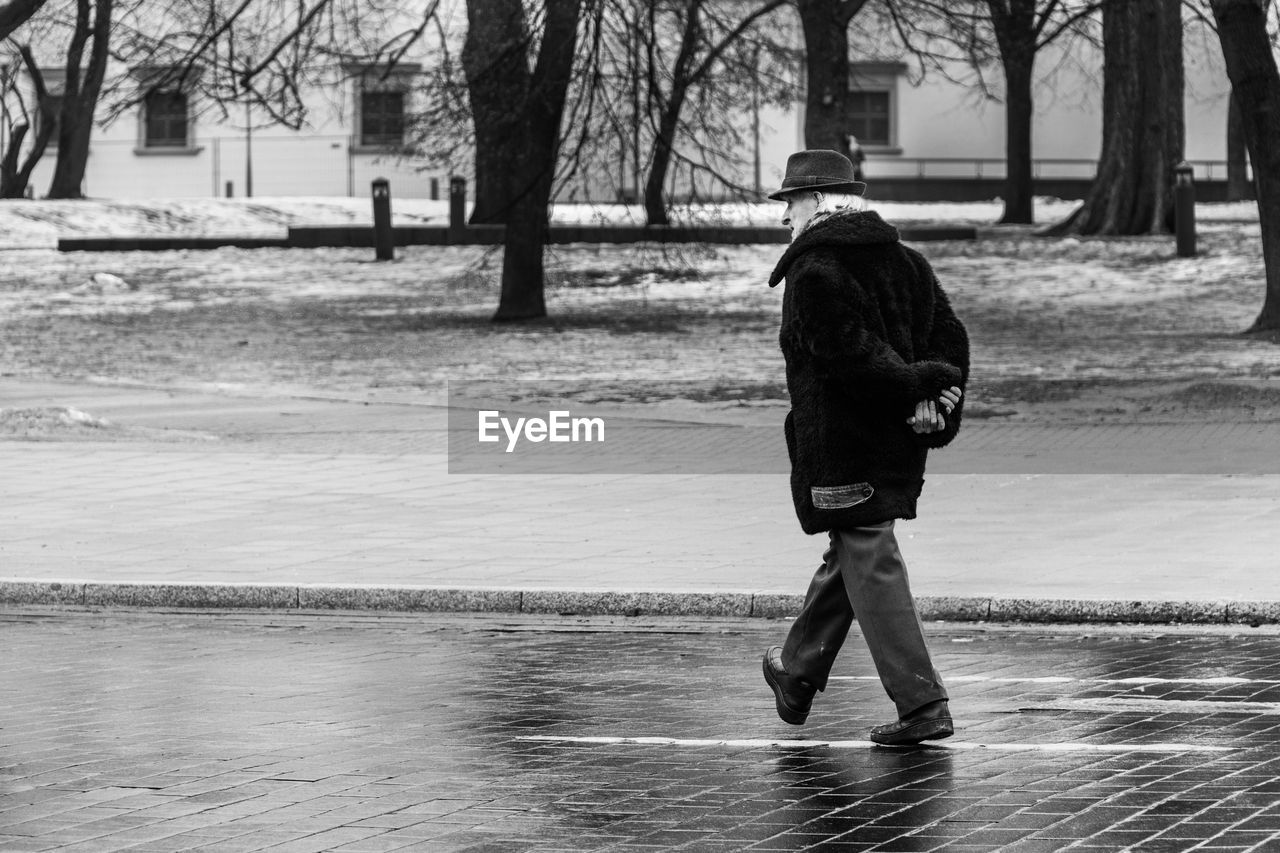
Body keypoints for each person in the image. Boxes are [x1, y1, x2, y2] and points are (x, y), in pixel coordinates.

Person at [760, 149, 970, 747]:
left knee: (869, 555)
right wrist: (930, 397)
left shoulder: (816, 271)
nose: (785, 216)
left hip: (843, 446)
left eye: (792, 202)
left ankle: (922, 702)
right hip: (898, 444)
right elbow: (949, 340)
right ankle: (796, 673)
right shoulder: (907, 262)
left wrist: (918, 386)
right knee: (853, 547)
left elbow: (851, 358)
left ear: (820, 202)